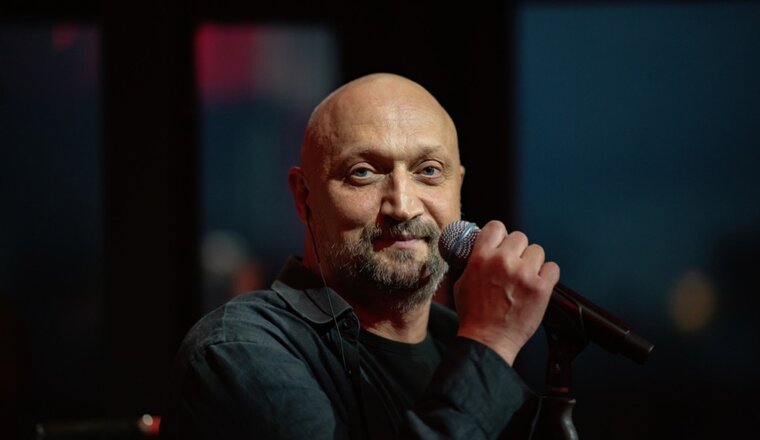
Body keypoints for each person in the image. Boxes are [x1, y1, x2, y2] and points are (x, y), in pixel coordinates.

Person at [160, 73, 560, 439]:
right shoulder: (238, 350)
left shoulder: (457, 343)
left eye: (429, 171)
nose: (402, 206)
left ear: (458, 187)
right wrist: (489, 343)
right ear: (303, 196)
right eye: (364, 172)